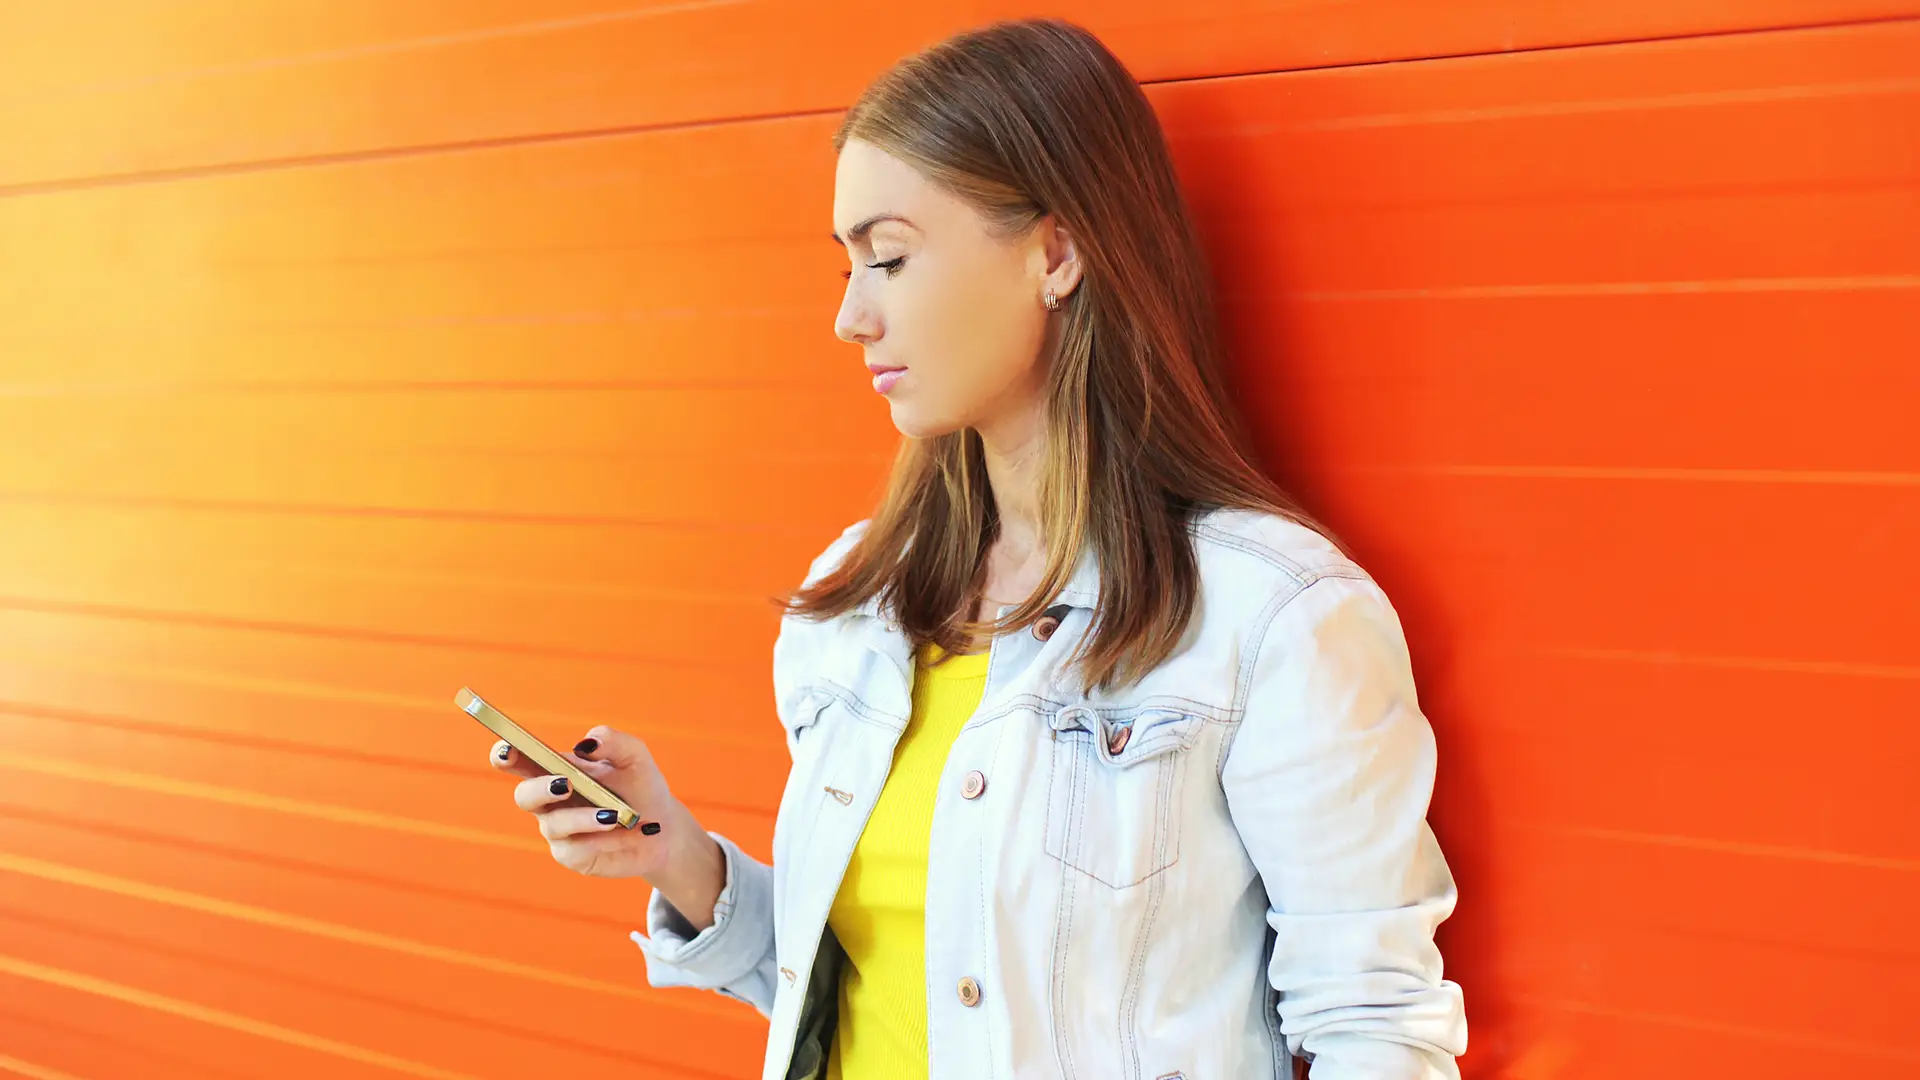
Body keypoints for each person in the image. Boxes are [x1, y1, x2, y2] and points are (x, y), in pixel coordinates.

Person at [488, 17, 1466, 1080]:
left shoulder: (1273, 617)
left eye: (889, 257)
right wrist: (673, 853)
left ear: (1058, 253)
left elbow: (1379, 1028)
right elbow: (869, 993)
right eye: (846, 265)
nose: (850, 316)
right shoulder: (854, 606)